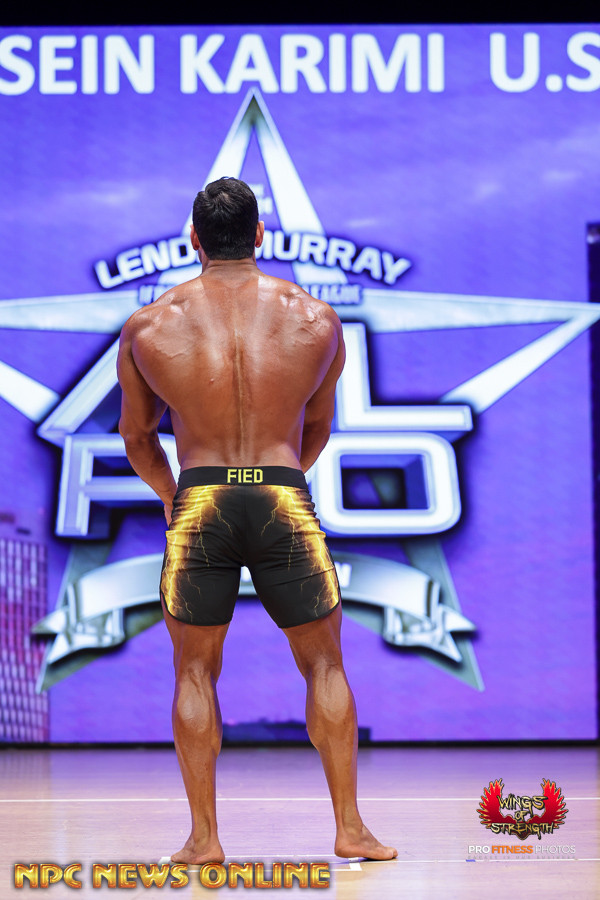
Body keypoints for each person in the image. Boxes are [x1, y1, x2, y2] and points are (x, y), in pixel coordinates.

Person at [117, 177, 397, 865]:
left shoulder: (149, 326)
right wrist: (278, 481)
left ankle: (204, 839)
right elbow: (319, 426)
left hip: (201, 498)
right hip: (281, 495)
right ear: (260, 235)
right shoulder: (315, 318)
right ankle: (351, 829)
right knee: (325, 663)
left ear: (194, 239)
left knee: (193, 672)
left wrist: (173, 496)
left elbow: (137, 438)